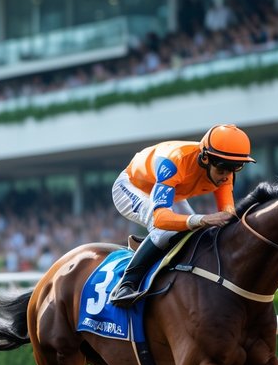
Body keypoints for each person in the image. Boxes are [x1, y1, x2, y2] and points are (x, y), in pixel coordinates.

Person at [108, 124, 254, 307]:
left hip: (170, 190)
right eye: (223, 170)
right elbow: (161, 219)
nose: (226, 177)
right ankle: (127, 284)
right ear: (206, 158)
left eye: (235, 169)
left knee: (197, 234)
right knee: (164, 231)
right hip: (131, 188)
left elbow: (228, 214)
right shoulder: (174, 162)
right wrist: (202, 219)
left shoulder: (224, 171)